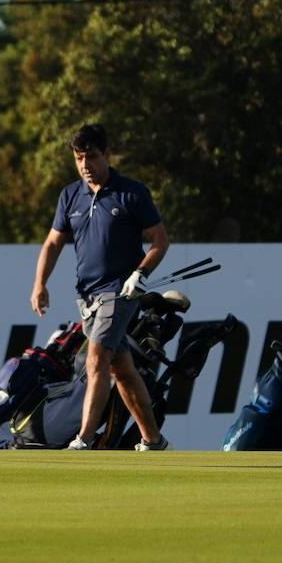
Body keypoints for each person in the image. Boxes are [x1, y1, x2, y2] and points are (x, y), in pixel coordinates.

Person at [30, 123, 172, 451]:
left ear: (107, 155)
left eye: (91, 157)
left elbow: (160, 240)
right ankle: (153, 441)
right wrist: (40, 283)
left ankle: (83, 438)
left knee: (96, 360)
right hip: (87, 296)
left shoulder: (132, 193)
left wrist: (140, 273)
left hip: (120, 291)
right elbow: (53, 243)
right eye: (79, 158)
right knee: (121, 368)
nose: (85, 165)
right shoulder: (70, 195)